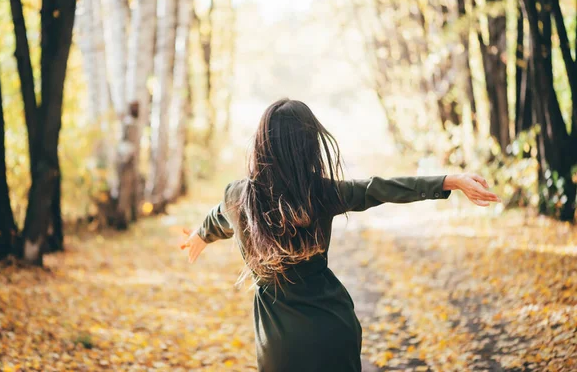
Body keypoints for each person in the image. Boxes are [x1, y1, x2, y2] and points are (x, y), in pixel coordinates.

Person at [179, 99, 501, 372]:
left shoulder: (239, 198)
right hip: (333, 330)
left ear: (262, 144)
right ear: (308, 149)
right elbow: (380, 188)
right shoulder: (322, 193)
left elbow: (220, 217)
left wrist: (200, 235)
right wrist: (449, 180)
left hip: (279, 348)